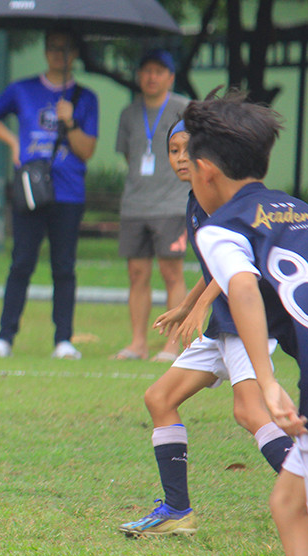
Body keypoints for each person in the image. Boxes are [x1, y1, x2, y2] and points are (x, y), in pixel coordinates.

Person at [118, 119, 294, 537]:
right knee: (160, 398)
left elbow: (238, 262)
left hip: (243, 319)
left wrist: (202, 305)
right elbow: (214, 265)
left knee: (250, 411)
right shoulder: (196, 198)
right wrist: (187, 305)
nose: (181, 158)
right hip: (223, 321)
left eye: (188, 150)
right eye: (173, 150)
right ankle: (177, 510)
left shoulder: (220, 197)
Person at [186, 92, 308, 556]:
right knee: (289, 502)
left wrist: (265, 381)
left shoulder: (221, 227)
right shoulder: (302, 210)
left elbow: (240, 288)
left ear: (206, 171)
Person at [0, 28, 98, 360]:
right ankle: (4, 337)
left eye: (65, 48)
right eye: (53, 48)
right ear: (45, 52)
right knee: (21, 263)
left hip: (69, 192)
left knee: (64, 267)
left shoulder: (86, 98)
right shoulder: (22, 89)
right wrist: (13, 142)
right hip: (30, 188)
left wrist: (69, 122)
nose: (59, 54)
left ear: (75, 54)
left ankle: (64, 340)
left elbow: (87, 150)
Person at [113, 50, 190, 363]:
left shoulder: (184, 109)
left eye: (159, 71)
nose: (151, 77)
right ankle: (138, 343)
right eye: (146, 70)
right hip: (135, 204)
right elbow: (128, 156)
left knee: (171, 273)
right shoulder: (129, 113)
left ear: (170, 77)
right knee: (136, 274)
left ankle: (172, 345)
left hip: (171, 204)